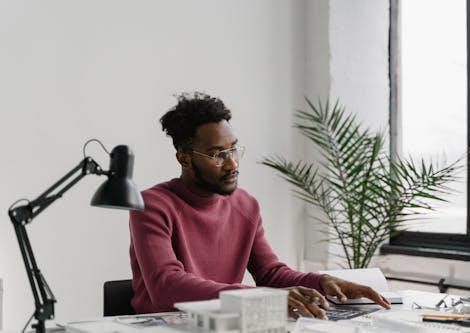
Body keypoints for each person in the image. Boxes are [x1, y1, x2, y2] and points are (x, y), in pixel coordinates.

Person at [129, 92, 390, 319]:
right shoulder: (152, 205)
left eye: (233, 149)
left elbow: (271, 274)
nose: (232, 163)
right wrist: (262, 297)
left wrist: (322, 281)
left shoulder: (245, 205)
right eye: (217, 154)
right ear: (184, 158)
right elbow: (166, 287)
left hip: (226, 324)